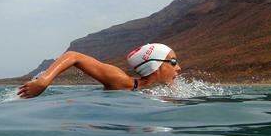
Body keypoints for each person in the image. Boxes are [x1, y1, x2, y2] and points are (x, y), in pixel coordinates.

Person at [18, 43, 181, 99]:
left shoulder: (166, 93)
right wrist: (44, 80)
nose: (179, 68)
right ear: (155, 65)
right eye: (173, 62)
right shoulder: (121, 81)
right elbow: (73, 56)